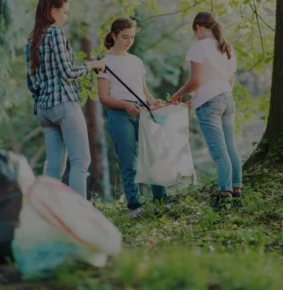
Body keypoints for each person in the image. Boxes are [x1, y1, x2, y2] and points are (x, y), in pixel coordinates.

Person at [25, 0, 105, 198]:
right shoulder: (55, 33)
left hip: (44, 110)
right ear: (54, 12)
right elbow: (68, 72)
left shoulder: (32, 40)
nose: (66, 17)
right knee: (80, 162)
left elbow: (32, 83)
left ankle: (49, 216)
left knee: (53, 169)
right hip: (64, 104)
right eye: (65, 12)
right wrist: (91, 65)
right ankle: (80, 218)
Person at [97, 17, 168, 219]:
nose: (129, 41)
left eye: (132, 38)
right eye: (124, 37)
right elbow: (104, 97)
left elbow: (143, 90)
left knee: (154, 157)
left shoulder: (136, 61)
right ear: (114, 36)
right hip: (120, 115)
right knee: (129, 163)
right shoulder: (104, 64)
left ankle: (161, 203)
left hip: (143, 113)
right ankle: (135, 206)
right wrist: (126, 105)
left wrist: (154, 103)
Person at [171, 12, 242, 207]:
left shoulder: (199, 47)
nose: (195, 35)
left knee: (219, 152)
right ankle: (237, 190)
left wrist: (179, 94)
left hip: (209, 103)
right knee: (230, 148)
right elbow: (230, 81)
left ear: (199, 28)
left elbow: (195, 82)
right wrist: (195, 99)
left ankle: (224, 195)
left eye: (195, 32)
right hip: (227, 99)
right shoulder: (227, 48)